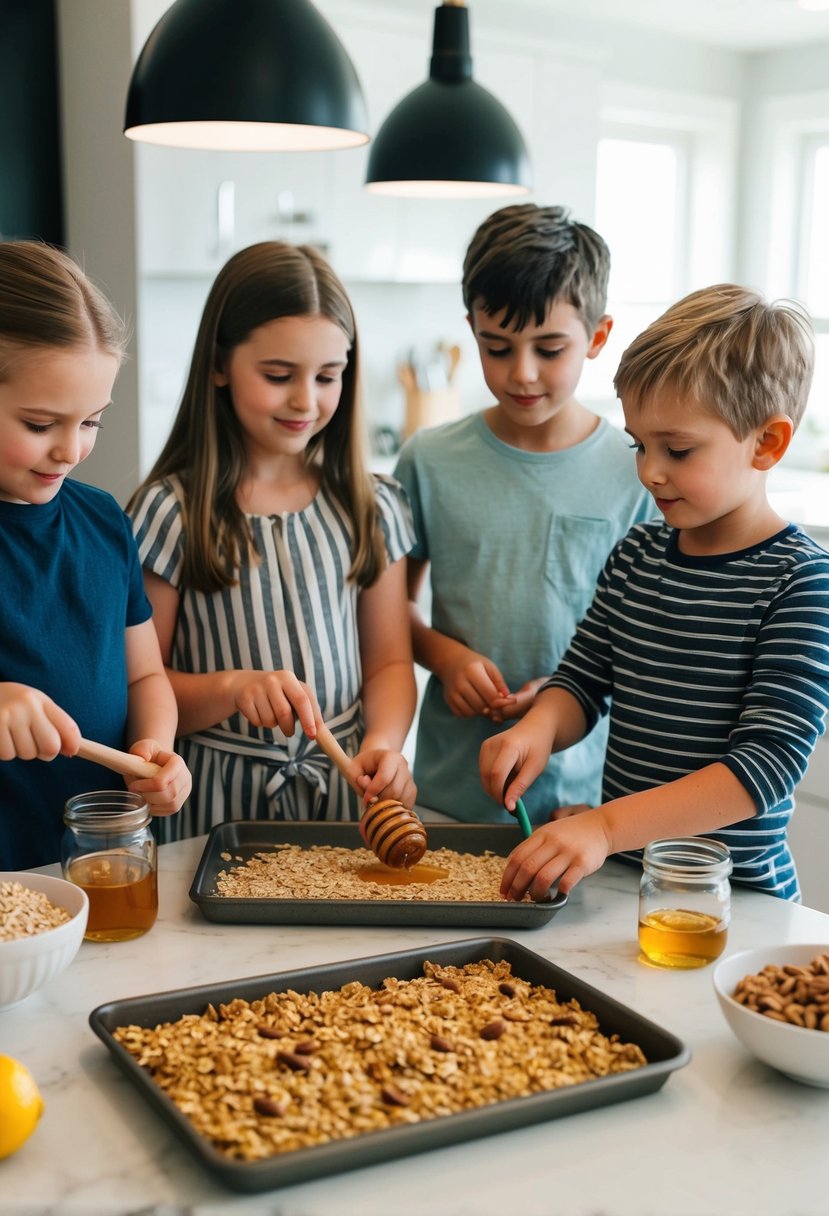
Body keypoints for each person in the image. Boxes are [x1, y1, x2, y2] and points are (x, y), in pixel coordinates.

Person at [480, 283, 829, 903]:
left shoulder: (802, 583)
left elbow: (764, 769)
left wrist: (607, 826)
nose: (649, 470)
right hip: (624, 882)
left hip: (736, 902)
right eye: (639, 444)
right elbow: (581, 683)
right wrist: (536, 729)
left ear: (768, 443)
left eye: (678, 449)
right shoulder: (637, 554)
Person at [128, 241, 417, 842]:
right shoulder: (168, 513)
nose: (305, 401)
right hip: (213, 810)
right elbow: (138, 683)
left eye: (328, 376)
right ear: (218, 364)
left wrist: (385, 744)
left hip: (344, 802)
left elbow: (389, 662)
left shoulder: (371, 505)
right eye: (278, 375)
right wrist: (232, 688)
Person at [393, 204, 653, 824]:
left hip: (583, 804)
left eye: (549, 347)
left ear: (597, 336)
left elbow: (648, 647)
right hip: (447, 798)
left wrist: (572, 694)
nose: (522, 373)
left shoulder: (639, 471)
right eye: (497, 347)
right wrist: (445, 658)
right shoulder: (428, 460)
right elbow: (387, 614)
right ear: (471, 329)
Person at [0, 241, 191, 870]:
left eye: (91, 422)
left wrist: (156, 749)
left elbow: (145, 676)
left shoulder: (104, 520)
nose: (71, 450)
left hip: (102, 861)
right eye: (40, 424)